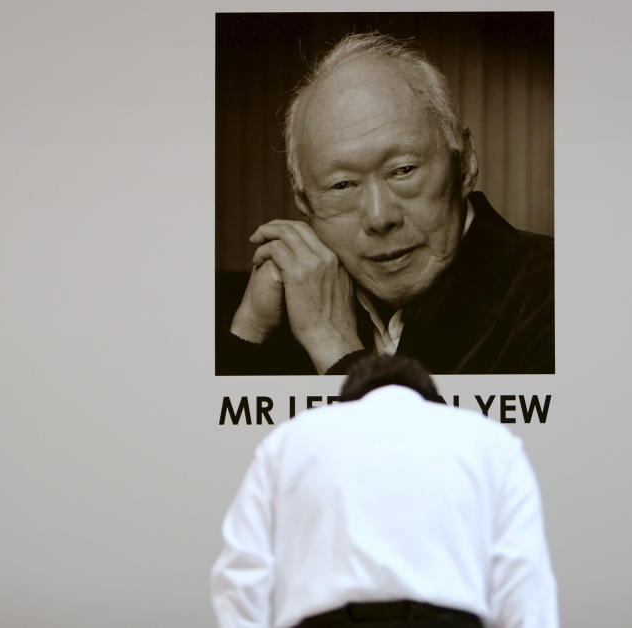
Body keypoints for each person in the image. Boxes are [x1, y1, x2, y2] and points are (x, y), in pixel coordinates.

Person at [217, 32, 554, 376]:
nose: (379, 218)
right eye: (342, 184)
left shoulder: (557, 297)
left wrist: (333, 344)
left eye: (403, 170)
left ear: (464, 162)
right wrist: (250, 330)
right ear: (305, 202)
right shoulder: (262, 306)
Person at [210, 354, 558, 627]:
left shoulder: (290, 439)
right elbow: (523, 577)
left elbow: (243, 571)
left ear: (347, 401)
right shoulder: (490, 440)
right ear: (433, 401)